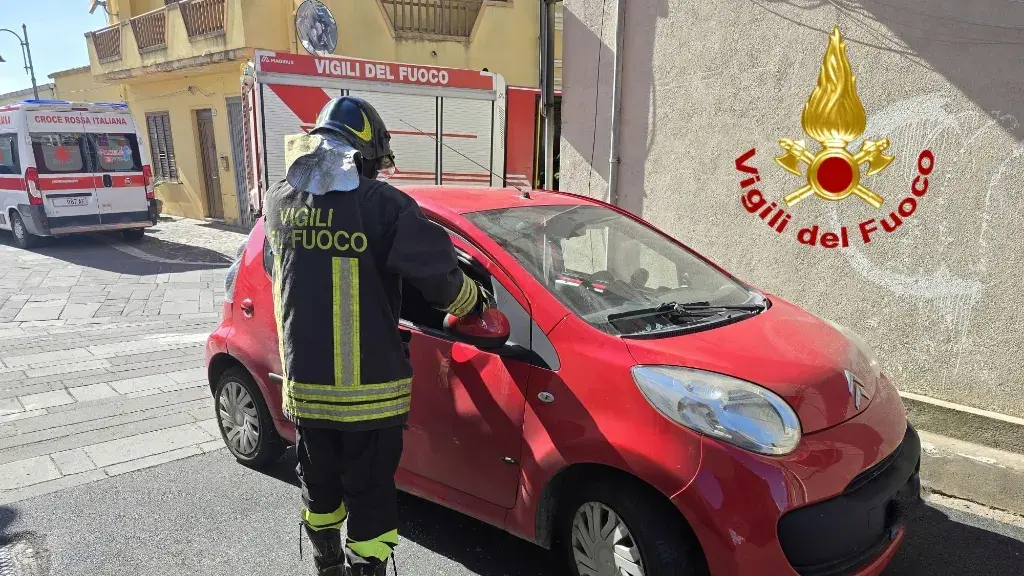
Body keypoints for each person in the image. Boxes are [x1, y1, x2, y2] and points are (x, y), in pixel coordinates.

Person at [263, 96, 490, 576]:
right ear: (364, 153)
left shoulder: (280, 199)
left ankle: (327, 566)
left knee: (319, 487)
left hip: (305, 391)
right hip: (370, 397)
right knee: (370, 498)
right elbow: (442, 282)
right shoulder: (384, 206)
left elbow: (274, 268)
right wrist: (475, 304)